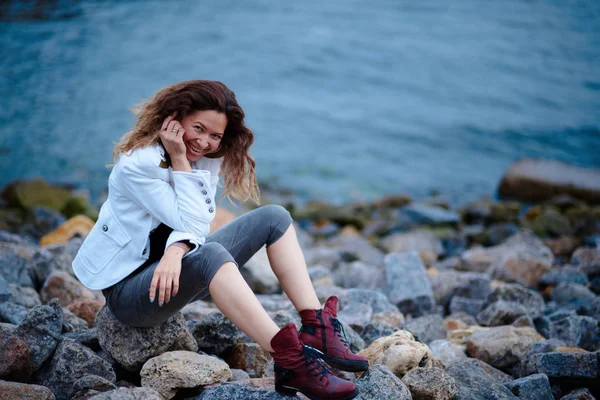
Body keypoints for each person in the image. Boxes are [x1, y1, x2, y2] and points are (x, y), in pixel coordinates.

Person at [72, 80, 368, 400]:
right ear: (175, 119)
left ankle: (315, 327)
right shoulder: (140, 165)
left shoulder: (203, 156)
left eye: (215, 136)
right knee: (211, 253)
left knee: (275, 217)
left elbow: (193, 227)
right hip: (131, 294)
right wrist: (182, 163)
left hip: (174, 274)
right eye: (198, 128)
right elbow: (196, 223)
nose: (204, 142)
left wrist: (175, 249)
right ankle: (291, 362)